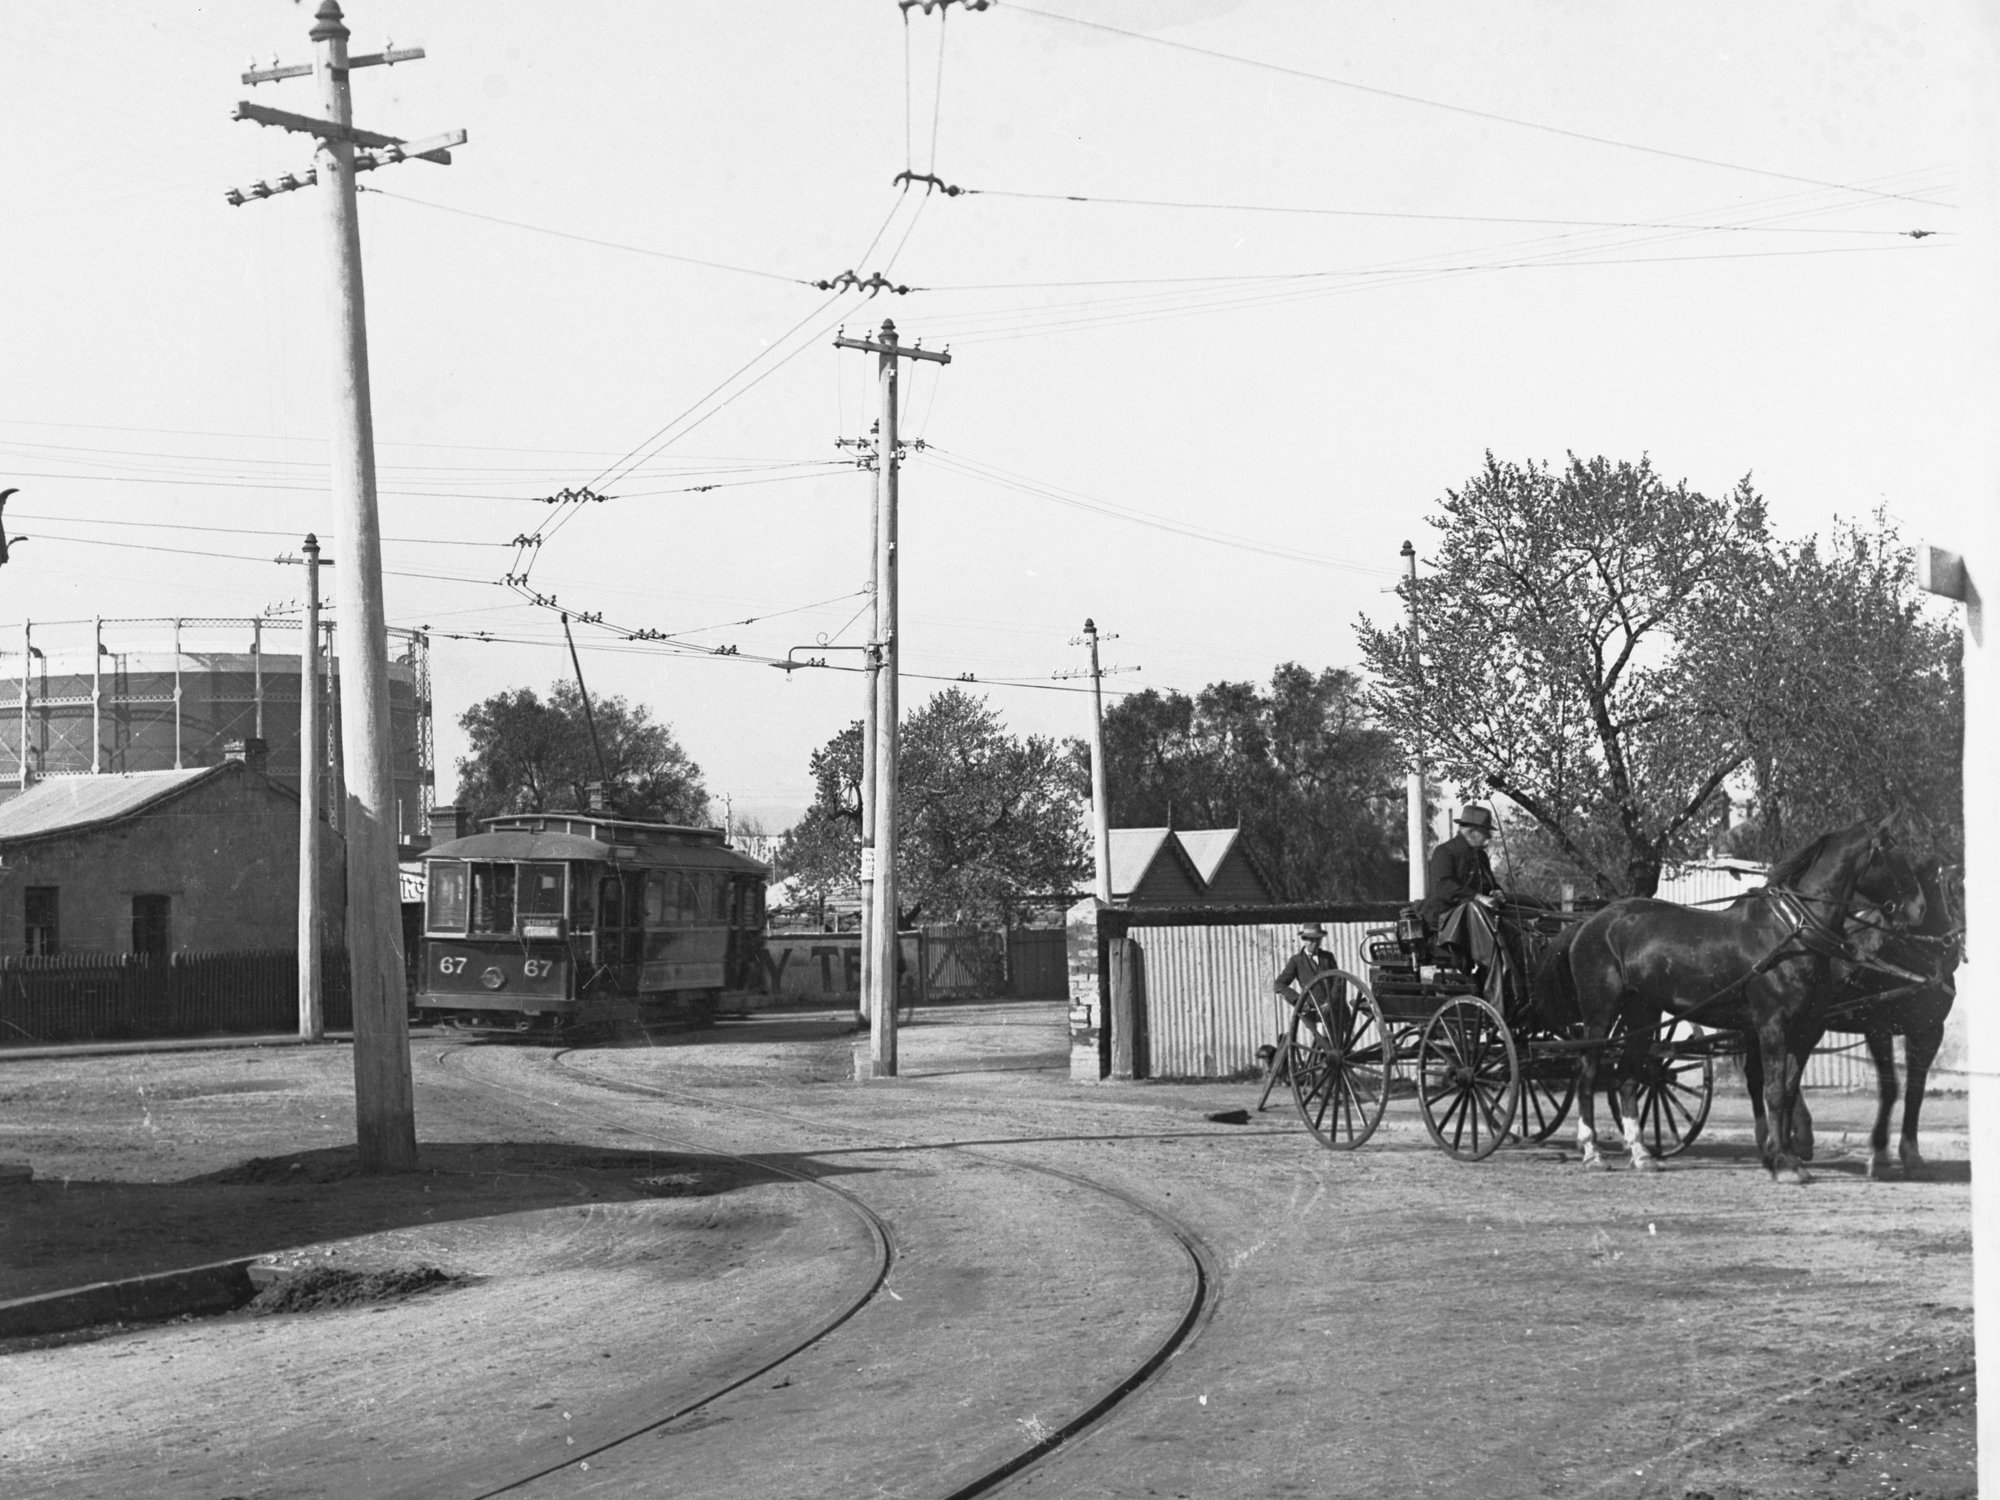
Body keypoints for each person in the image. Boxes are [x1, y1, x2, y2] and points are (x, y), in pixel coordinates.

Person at [1422, 805, 1505, 984]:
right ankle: (1494, 969)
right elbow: (1443, 887)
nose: (1489, 837)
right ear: (1472, 831)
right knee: (1473, 908)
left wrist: (1496, 892)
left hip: (1476, 919)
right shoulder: (1444, 852)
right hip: (1445, 920)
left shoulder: (1480, 857)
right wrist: (1478, 897)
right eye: (1486, 832)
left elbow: (1489, 883)